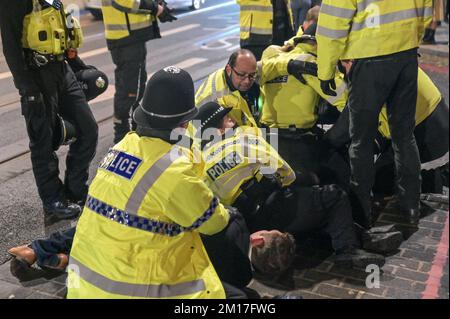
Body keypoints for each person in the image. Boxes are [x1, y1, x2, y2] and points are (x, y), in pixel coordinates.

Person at [66, 67, 250, 299]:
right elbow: (214, 223)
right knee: (236, 295)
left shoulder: (124, 146)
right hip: (136, 292)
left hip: (84, 288)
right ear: (184, 124)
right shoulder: (173, 170)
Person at [196, 101, 387, 268]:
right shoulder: (242, 138)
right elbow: (283, 170)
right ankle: (348, 251)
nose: (233, 120)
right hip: (277, 206)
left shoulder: (200, 164)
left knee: (308, 207)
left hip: (252, 225)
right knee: (332, 196)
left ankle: (346, 236)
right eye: (227, 119)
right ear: (219, 128)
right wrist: (293, 183)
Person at [316, 0, 433, 227]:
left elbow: (332, 27)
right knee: (404, 136)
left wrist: (325, 71)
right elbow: (426, 11)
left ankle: (362, 211)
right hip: (406, 54)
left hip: (368, 60)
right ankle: (410, 206)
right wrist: (410, 39)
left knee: (361, 141)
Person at [0, 0, 99, 220]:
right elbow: (11, 46)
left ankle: (75, 190)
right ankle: (52, 199)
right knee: (43, 141)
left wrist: (78, 66)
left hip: (62, 69)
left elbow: (60, 32)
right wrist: (27, 88)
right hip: (36, 75)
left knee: (88, 129)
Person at [324, 67, 449, 198]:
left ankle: (437, 180)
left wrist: (327, 142)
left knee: (382, 179)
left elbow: (351, 113)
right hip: (421, 120)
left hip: (426, 129)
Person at [259, 23, 345, 176]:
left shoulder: (275, 57)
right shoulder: (312, 63)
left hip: (267, 139)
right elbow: (346, 99)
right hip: (296, 143)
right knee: (340, 172)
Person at [101, 0, 177, 143]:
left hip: (133, 37)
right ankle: (121, 133)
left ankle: (137, 128)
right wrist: (156, 9)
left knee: (139, 85)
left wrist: (159, 5)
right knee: (130, 89)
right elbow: (127, 2)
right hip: (124, 37)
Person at [195, 50, 260, 127]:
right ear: (229, 70)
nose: (247, 81)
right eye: (241, 75)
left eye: (252, 75)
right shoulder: (214, 99)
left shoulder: (238, 75)